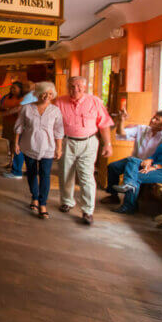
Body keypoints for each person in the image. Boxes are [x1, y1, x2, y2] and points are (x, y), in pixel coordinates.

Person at [52, 76, 114, 225]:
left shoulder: (95, 102)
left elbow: (104, 124)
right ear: (68, 87)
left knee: (86, 175)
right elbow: (53, 124)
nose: (75, 89)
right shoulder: (60, 102)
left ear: (85, 87)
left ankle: (87, 210)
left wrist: (108, 144)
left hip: (89, 142)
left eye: (79, 86)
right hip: (67, 141)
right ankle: (67, 201)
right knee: (66, 173)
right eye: (72, 86)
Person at [112, 116, 162, 213]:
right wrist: (149, 160)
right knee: (133, 160)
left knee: (136, 176)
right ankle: (128, 185)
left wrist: (154, 167)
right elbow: (156, 155)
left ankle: (129, 206)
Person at [101, 108, 162, 211]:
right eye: (153, 118)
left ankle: (129, 205)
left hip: (148, 165)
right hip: (133, 160)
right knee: (113, 167)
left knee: (132, 174)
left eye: (157, 120)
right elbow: (121, 133)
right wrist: (121, 120)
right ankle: (113, 196)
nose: (152, 120)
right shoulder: (142, 129)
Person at [13, 81, 64, 219]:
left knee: (45, 174)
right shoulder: (26, 108)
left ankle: (42, 203)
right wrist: (16, 143)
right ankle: (34, 197)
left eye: (50, 93)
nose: (47, 96)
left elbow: (59, 131)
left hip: (48, 147)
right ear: (37, 93)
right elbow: (19, 126)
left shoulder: (55, 111)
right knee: (31, 173)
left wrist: (59, 148)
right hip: (29, 145)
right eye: (44, 93)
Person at [0, 81, 25, 179]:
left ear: (20, 89)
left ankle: (16, 167)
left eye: (14, 88)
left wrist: (3, 113)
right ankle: (11, 161)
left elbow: (18, 109)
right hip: (8, 122)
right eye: (11, 88)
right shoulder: (7, 97)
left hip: (16, 123)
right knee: (10, 142)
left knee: (16, 143)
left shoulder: (23, 98)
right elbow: (3, 105)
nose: (12, 89)